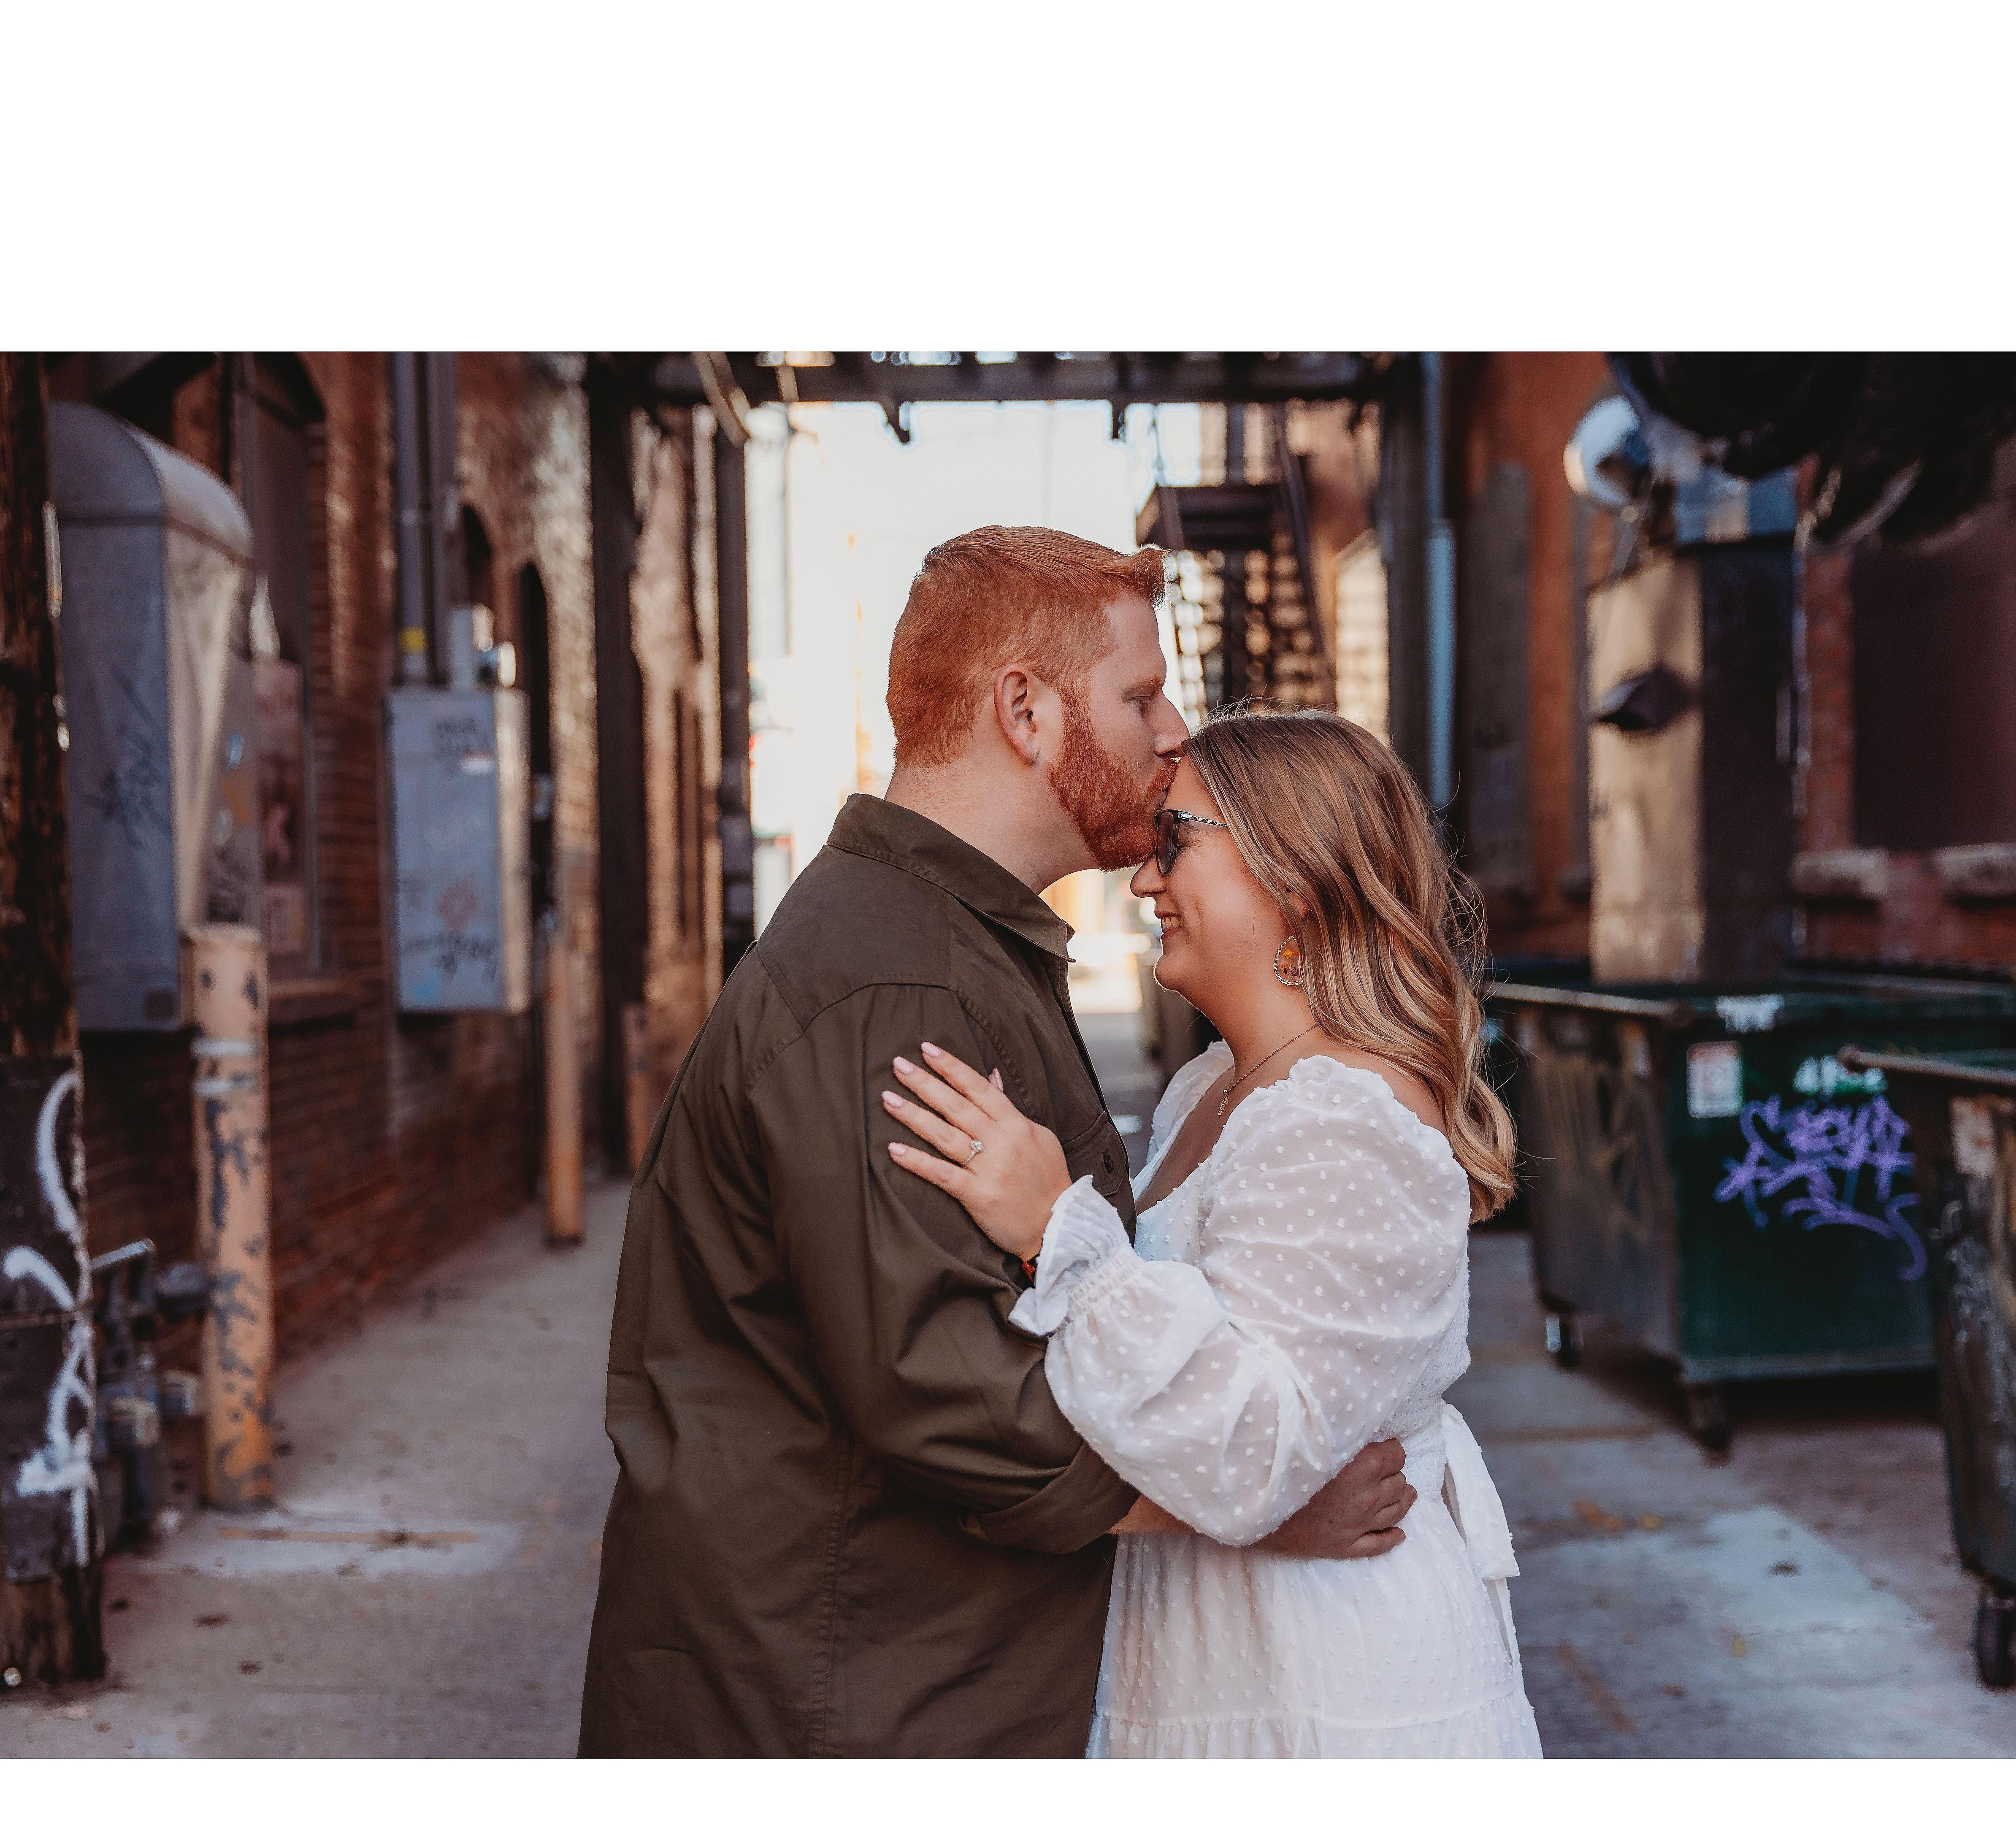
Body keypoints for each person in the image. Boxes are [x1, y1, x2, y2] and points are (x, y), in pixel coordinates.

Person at [578, 527, 1416, 1758]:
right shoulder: (894, 986)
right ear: (1026, 710)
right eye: (1138, 695)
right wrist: (1254, 1506)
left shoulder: (943, 946)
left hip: (883, 1673)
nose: (1173, 728)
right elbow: (958, 1396)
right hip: (842, 1694)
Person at [885, 706, 1543, 1758]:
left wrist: (1062, 1228)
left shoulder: (1343, 1119)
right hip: (1222, 1635)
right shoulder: (1213, 1088)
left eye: (1174, 840)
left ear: (1296, 877)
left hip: (1322, 1672)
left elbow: (1258, 1447)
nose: (1143, 880)